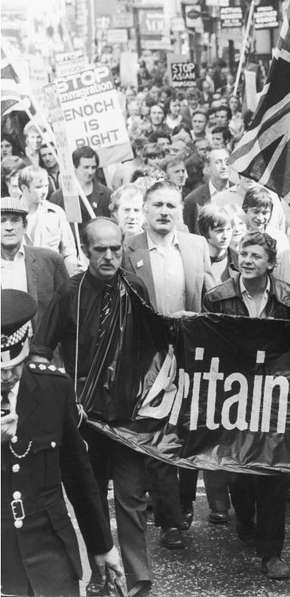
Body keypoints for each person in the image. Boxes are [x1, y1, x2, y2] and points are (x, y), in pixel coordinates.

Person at [28, 217, 152, 596]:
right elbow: (41, 349)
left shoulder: (136, 288)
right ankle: (99, 572)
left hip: (128, 415)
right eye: (101, 250)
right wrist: (60, 394)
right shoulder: (70, 292)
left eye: (116, 249)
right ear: (85, 251)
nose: (110, 257)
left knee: (131, 497)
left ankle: (138, 576)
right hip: (84, 417)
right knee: (92, 496)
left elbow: (154, 345)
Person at [2, 288, 126, 597]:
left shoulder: (53, 387)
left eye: (14, 367)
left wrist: (102, 547)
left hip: (49, 546)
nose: (7, 377)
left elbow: (78, 473)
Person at [203, 231, 290, 580]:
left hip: (274, 397)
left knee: (274, 474)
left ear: (271, 264)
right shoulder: (216, 298)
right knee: (240, 474)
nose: (247, 260)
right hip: (234, 397)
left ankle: (272, 552)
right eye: (243, 253)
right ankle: (244, 518)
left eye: (256, 256)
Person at [123, 181, 215, 549]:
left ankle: (184, 502)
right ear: (144, 209)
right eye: (157, 205)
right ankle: (169, 520)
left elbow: (208, 297)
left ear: (180, 210)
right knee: (158, 434)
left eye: (170, 205)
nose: (164, 211)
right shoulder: (128, 249)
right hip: (147, 356)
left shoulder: (196, 246)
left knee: (189, 432)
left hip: (190, 352)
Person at [1, 197, 69, 330]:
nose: (9, 227)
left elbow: (67, 311)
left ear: (25, 226)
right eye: (2, 221)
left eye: (15, 220)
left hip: (39, 346)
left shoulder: (50, 261)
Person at [17, 165, 79, 275]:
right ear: (24, 188)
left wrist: (70, 278)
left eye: (46, 186)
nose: (44, 191)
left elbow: (69, 252)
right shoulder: (9, 215)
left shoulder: (56, 213)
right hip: (21, 277)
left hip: (51, 276)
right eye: (39, 187)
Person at [50, 146, 112, 219]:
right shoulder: (58, 198)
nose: (90, 172)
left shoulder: (107, 194)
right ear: (74, 167)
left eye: (93, 167)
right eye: (86, 167)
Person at [183, 147, 230, 233]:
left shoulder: (240, 192)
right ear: (207, 167)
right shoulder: (193, 199)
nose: (224, 166)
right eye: (218, 162)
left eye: (227, 162)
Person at [198, 204, 236, 282]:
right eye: (219, 231)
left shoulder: (239, 260)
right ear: (205, 232)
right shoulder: (194, 261)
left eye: (229, 229)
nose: (225, 236)